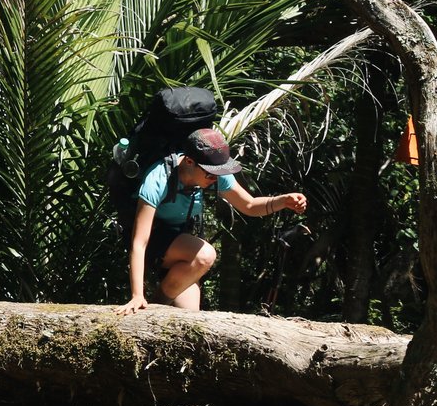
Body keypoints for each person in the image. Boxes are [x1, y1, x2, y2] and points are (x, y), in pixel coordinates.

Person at [116, 127, 306, 315]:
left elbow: (249, 205)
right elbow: (139, 242)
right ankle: (147, 307)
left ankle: (156, 305)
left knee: (189, 317)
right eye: (210, 173)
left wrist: (283, 201)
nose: (216, 178)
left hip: (182, 244)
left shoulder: (215, 173)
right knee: (205, 255)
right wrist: (137, 295)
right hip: (153, 240)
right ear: (189, 162)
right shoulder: (158, 178)